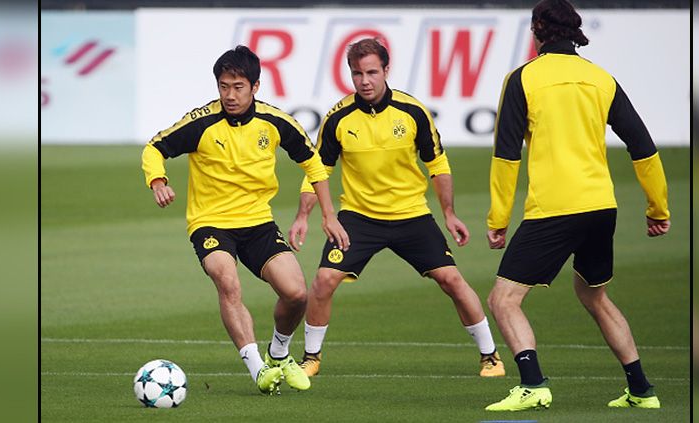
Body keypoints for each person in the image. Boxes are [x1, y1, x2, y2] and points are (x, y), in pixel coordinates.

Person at [484, 0, 670, 411]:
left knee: (503, 299)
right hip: (601, 207)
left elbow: (506, 155)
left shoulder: (523, 79)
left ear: (537, 31)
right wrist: (658, 208)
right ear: (575, 32)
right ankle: (641, 389)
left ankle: (532, 384)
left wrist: (498, 219)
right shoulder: (600, 78)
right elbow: (642, 146)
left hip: (555, 208)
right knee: (594, 295)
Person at [288, 38, 505, 378]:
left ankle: (490, 356)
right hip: (358, 218)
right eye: (357, 74)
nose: (365, 81)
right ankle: (311, 358)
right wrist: (304, 216)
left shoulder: (412, 111)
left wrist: (448, 213)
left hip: (412, 216)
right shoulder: (338, 118)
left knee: (452, 280)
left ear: (386, 70)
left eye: (372, 72)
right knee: (324, 280)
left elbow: (438, 164)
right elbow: (318, 171)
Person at [141, 45, 349, 395]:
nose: (230, 95)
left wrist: (326, 215)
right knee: (227, 281)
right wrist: (158, 180)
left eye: (238, 87)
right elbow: (154, 148)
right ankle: (258, 370)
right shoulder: (202, 123)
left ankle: (279, 354)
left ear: (255, 86)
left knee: (297, 294)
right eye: (224, 86)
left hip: (258, 223)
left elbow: (313, 164)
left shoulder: (276, 121)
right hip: (210, 222)